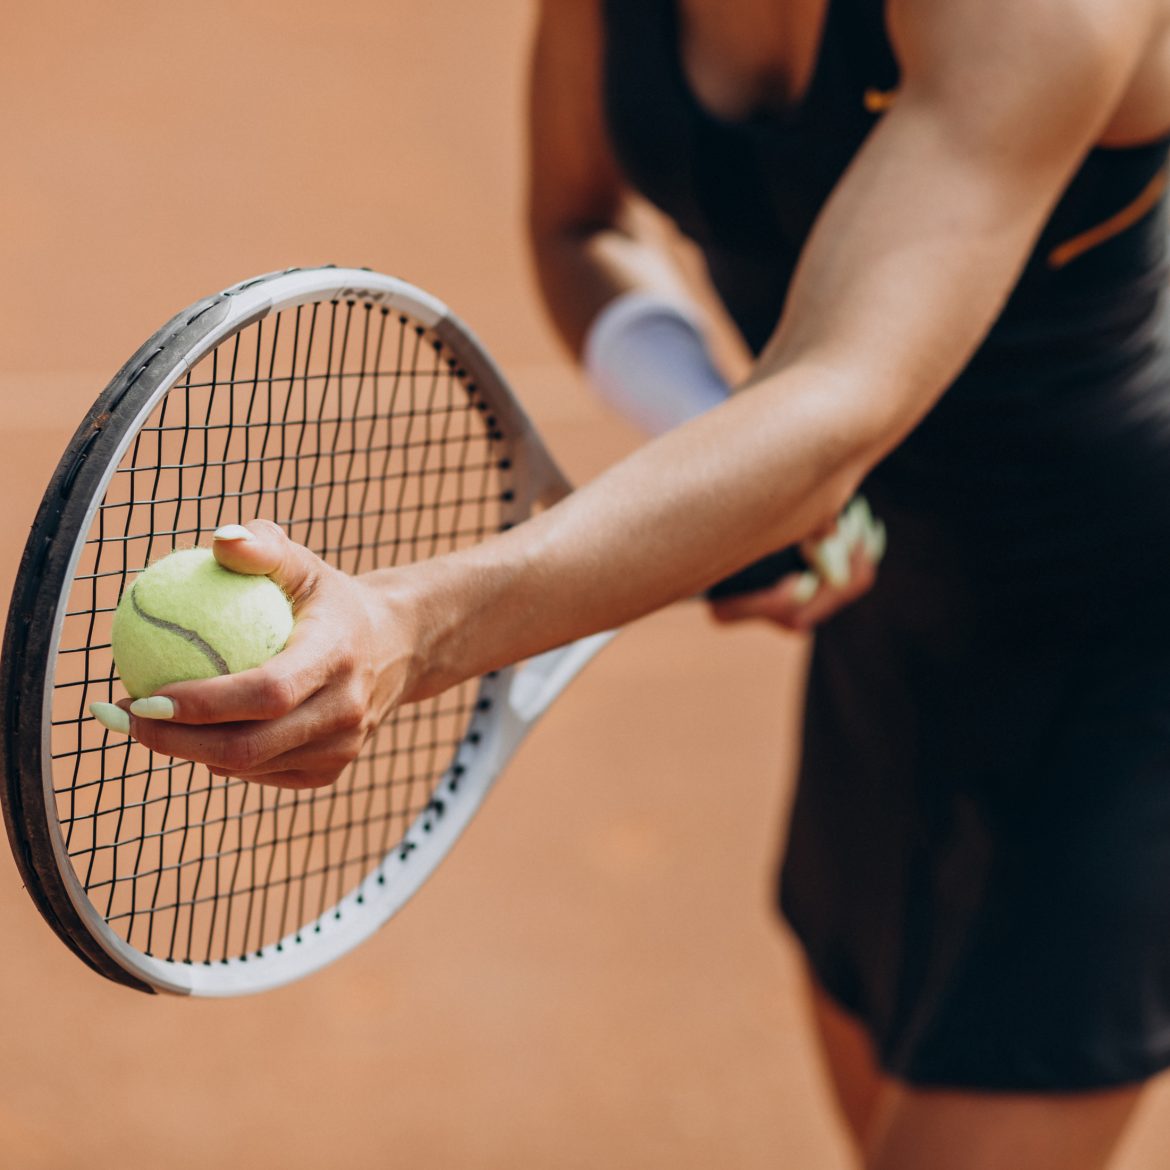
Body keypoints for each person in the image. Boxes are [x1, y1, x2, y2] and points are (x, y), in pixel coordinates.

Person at [110, 1, 1170, 1165]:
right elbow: (580, 219)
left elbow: (840, 403)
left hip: (1118, 649)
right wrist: (713, 441)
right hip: (885, 651)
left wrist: (413, 623)